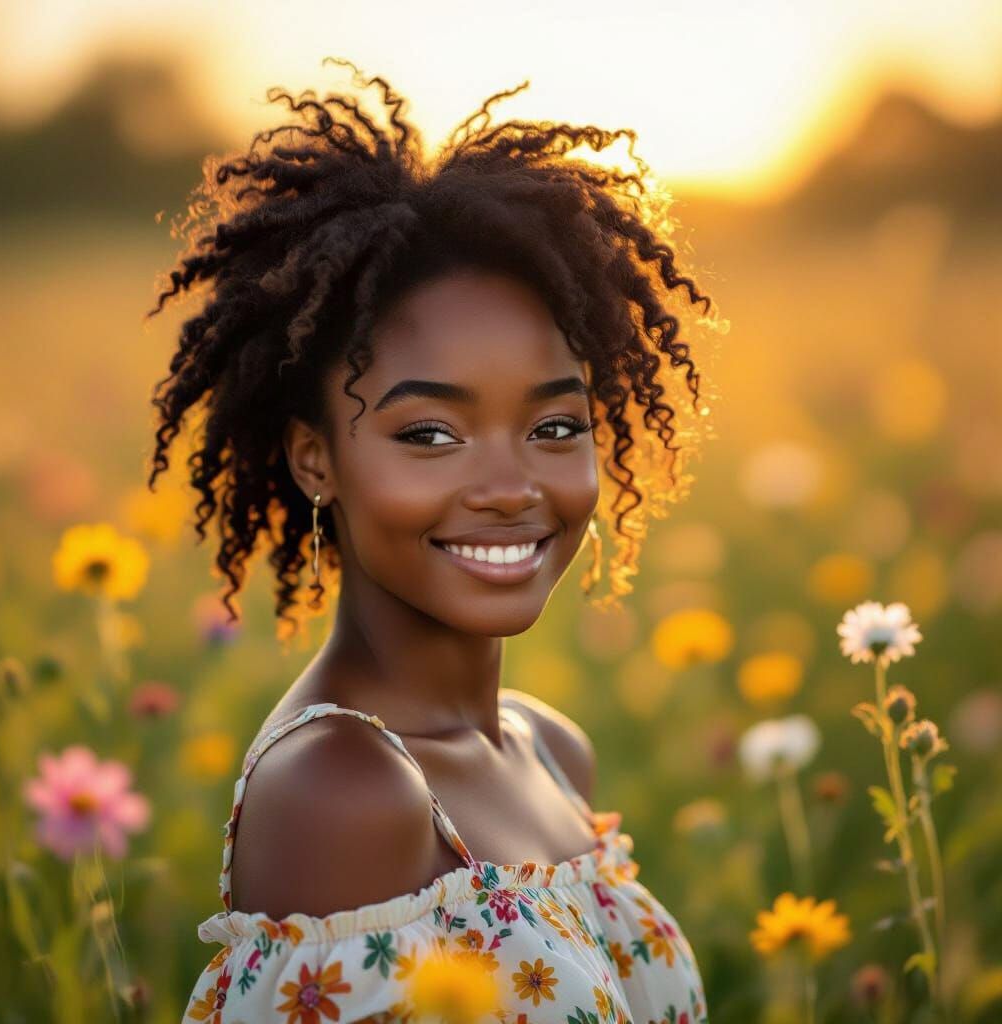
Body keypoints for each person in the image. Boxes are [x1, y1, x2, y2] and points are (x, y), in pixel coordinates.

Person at [147, 56, 718, 1024]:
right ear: (313, 458)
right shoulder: (342, 790)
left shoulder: (548, 748)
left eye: (554, 426)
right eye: (429, 435)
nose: (509, 487)